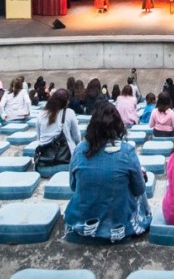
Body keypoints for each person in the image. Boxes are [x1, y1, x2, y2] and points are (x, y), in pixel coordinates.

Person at [64, 102, 151, 243]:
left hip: (82, 219)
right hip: (120, 222)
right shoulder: (127, 151)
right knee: (140, 178)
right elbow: (139, 189)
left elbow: (74, 186)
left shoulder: (79, 150)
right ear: (118, 125)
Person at [37, 89, 81, 154]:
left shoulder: (41, 114)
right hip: (66, 154)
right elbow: (77, 137)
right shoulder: (70, 113)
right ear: (66, 102)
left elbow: (39, 137)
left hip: (44, 154)